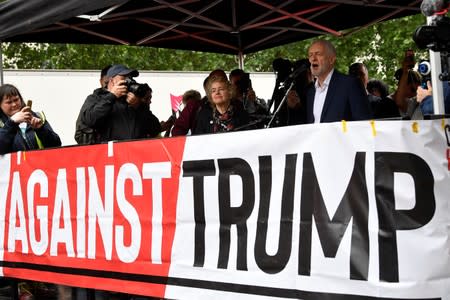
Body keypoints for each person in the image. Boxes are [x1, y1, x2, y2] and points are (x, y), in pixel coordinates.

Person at [78, 64, 161, 143]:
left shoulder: (134, 101)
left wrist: (138, 106)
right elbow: (90, 120)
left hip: (135, 153)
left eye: (130, 77)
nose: (128, 80)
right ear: (112, 81)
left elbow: (155, 129)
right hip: (110, 154)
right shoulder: (96, 98)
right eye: (124, 77)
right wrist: (112, 96)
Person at [305, 39, 371, 123]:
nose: (313, 59)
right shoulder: (310, 92)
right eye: (310, 55)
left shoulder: (350, 84)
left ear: (331, 59)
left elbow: (364, 123)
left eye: (318, 54)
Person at [0, 84, 61, 155]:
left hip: (40, 165)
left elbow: (56, 145)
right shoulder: (3, 124)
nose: (14, 104)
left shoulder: (37, 116)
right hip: (15, 166)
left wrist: (41, 129)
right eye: (9, 102)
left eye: (16, 100)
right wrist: (11, 123)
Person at [75, 64, 112, 145]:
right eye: (106, 83)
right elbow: (79, 133)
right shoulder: (92, 99)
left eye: (112, 83)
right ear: (101, 81)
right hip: (98, 151)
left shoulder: (127, 99)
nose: (109, 86)